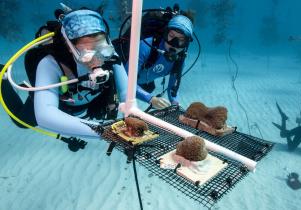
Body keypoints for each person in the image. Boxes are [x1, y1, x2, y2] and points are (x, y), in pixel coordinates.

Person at [2, 8, 128, 138]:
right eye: (87, 53)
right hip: (60, 100)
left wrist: (133, 116)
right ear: (69, 47)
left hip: (84, 103)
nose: (97, 59)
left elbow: (126, 92)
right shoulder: (50, 63)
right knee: (21, 122)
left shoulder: (111, 56)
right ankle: (3, 78)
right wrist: (104, 132)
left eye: (102, 49)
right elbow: (45, 115)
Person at [124, 14, 194, 110]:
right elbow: (126, 81)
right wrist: (150, 99)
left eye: (181, 40)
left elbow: (173, 88)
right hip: (120, 80)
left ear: (186, 43)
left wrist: (175, 103)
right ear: (165, 34)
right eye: (171, 36)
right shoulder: (145, 47)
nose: (174, 43)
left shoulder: (179, 59)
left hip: (143, 83)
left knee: (149, 88)